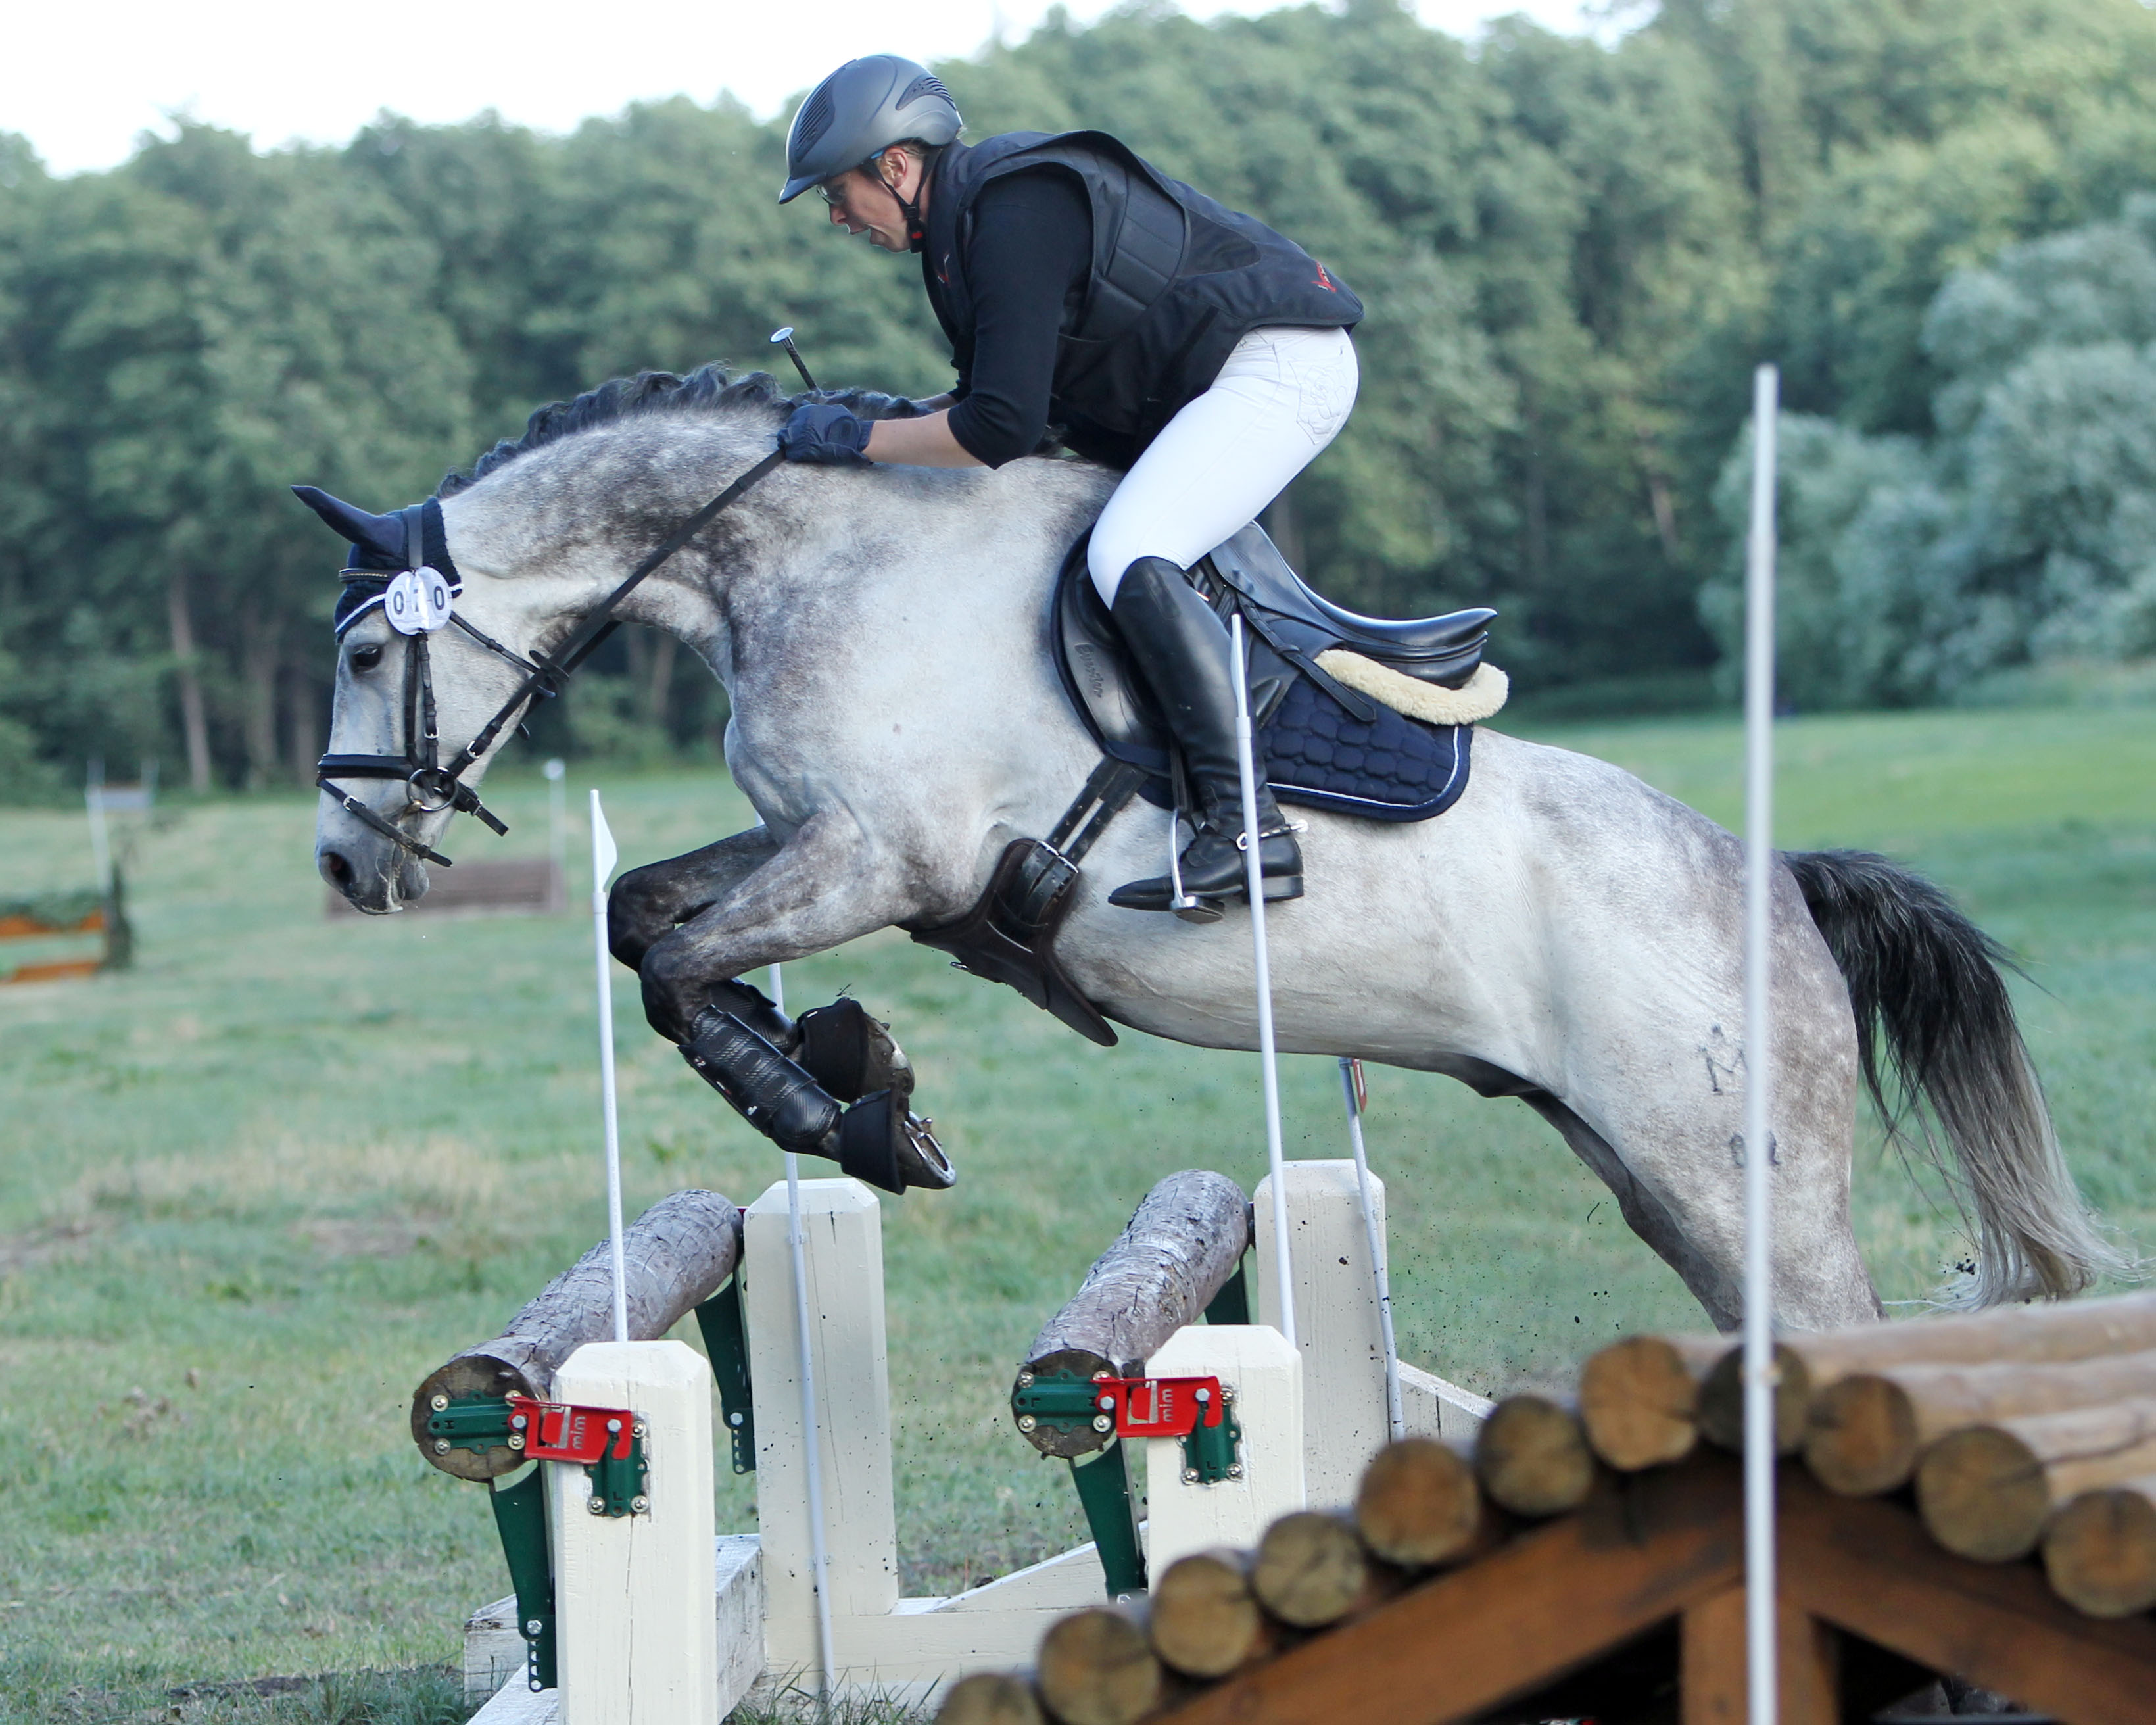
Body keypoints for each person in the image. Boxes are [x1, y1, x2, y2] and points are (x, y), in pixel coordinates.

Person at [773, 54, 1364, 913]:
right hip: (1219, 382)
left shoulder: (1014, 210)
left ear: (895, 166)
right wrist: (871, 432)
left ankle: (1248, 829)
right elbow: (1002, 409)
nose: (835, 216)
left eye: (836, 192)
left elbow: (996, 432)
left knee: (1130, 549)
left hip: (1280, 363)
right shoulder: (961, 243)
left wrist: (859, 438)